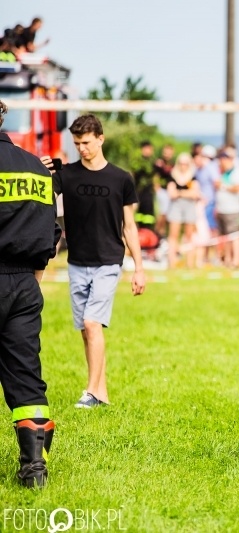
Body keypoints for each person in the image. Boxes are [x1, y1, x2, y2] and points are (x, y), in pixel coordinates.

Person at [53, 114, 146, 408]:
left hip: (108, 261)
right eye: (77, 143)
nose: (82, 148)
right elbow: (39, 192)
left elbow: (129, 226)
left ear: (101, 139)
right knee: (85, 329)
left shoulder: (121, 179)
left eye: (87, 143)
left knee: (93, 323)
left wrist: (139, 268)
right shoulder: (66, 175)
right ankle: (101, 392)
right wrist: (40, 167)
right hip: (77, 262)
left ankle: (91, 392)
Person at [0, 100, 59, 487]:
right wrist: (30, 279)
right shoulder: (37, 167)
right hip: (24, 282)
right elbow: (51, 231)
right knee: (26, 375)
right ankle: (34, 469)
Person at [166, 152, 201, 269]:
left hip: (189, 207)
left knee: (189, 236)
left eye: (186, 164)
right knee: (173, 235)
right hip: (176, 207)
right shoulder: (173, 175)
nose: (183, 166)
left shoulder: (193, 176)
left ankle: (190, 263)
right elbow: (171, 193)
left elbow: (195, 193)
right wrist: (186, 193)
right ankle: (172, 262)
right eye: (181, 163)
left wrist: (180, 193)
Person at [215, 148, 239, 269]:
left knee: (235, 236)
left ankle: (236, 260)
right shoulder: (223, 173)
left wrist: (222, 186)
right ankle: (227, 259)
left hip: (234, 210)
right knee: (226, 237)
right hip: (222, 209)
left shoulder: (237, 172)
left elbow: (238, 188)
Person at [130, 141, 158, 231]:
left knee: (149, 214)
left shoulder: (154, 163)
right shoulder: (136, 162)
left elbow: (156, 177)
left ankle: (149, 232)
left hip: (148, 193)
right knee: (136, 214)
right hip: (137, 192)